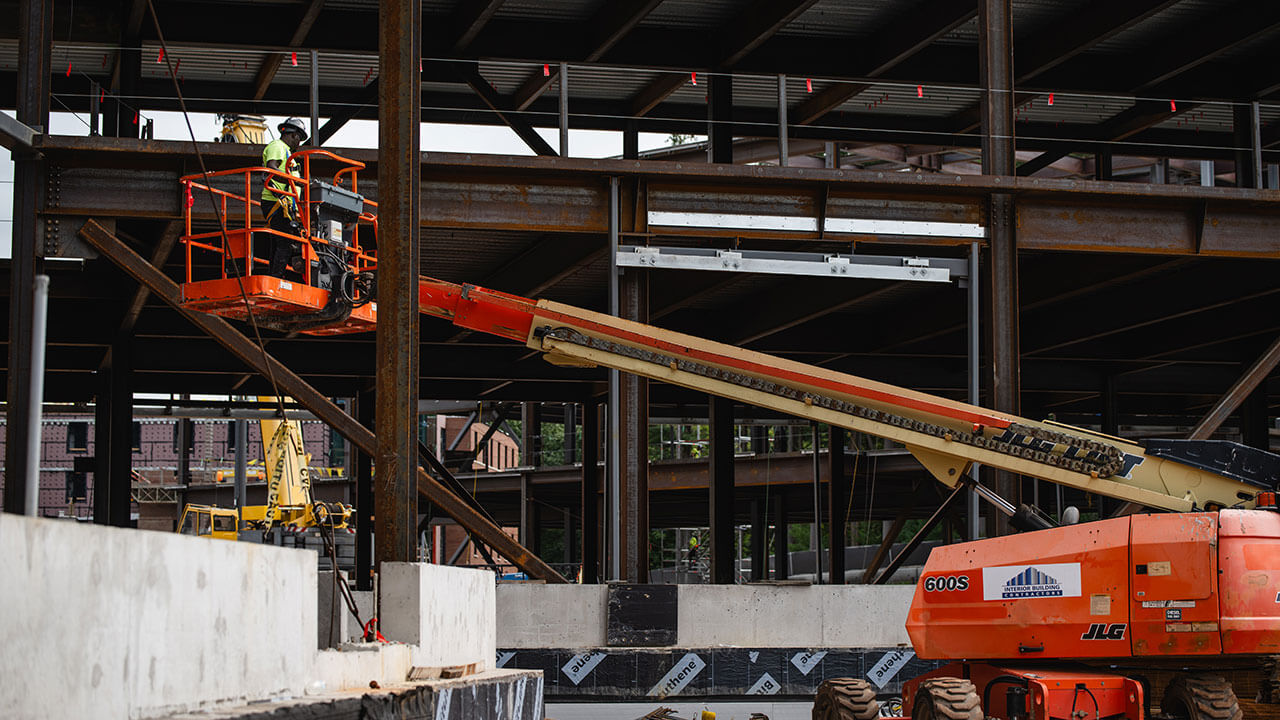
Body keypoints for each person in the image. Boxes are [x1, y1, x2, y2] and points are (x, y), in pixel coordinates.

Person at [258, 117, 308, 278]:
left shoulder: (286, 152)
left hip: (283, 204)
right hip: (277, 201)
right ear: (293, 135)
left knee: (279, 242)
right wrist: (295, 181)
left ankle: (274, 277)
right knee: (285, 243)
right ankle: (276, 279)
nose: (299, 143)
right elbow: (271, 168)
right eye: (299, 139)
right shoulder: (278, 146)